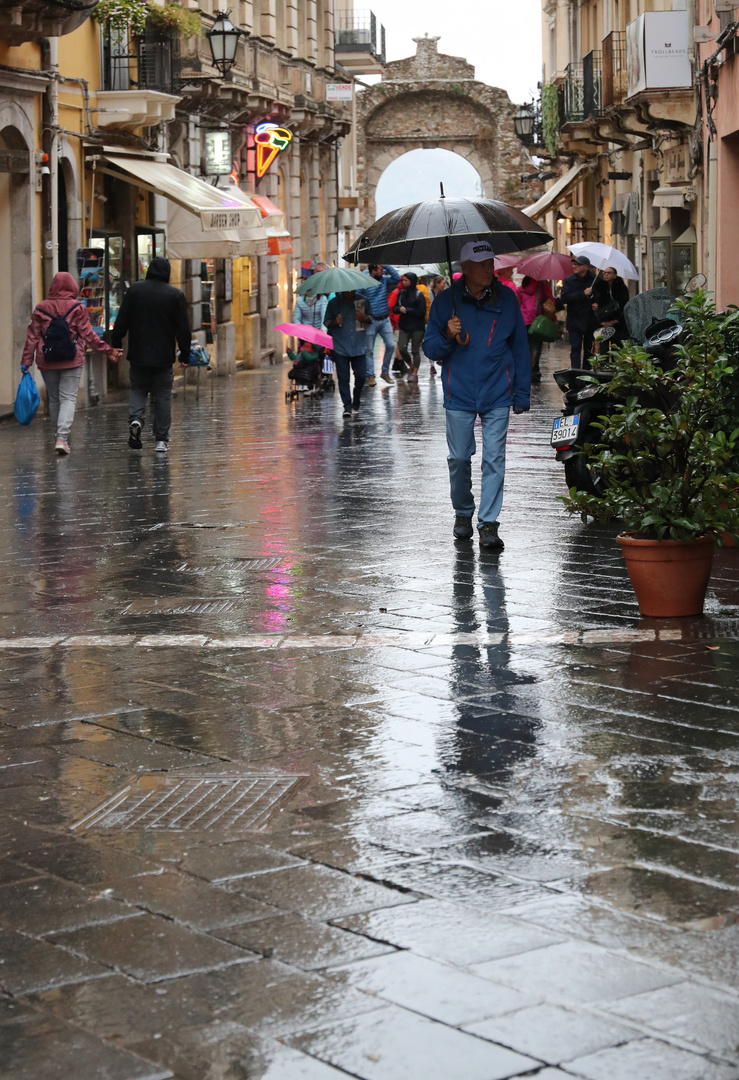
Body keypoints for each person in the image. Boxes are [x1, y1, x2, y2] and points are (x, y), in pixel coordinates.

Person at [423, 240, 530, 552]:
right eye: (482, 265)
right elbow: (430, 349)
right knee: (458, 458)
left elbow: (520, 347)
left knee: (494, 458)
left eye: (490, 263)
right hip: (460, 391)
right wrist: (447, 334)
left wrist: (521, 392)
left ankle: (488, 523)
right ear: (465, 269)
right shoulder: (445, 302)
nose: (489, 269)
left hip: (498, 390)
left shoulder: (507, 298)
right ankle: (463, 511)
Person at [21, 271, 121, 455]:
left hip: (47, 359)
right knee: (67, 398)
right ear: (72, 287)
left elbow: (32, 337)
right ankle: (62, 438)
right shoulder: (77, 308)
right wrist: (108, 350)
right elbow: (88, 335)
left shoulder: (41, 308)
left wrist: (26, 362)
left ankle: (58, 435)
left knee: (54, 398)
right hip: (72, 359)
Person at [111, 257, 191, 453]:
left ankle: (136, 420)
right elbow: (183, 329)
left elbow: (121, 320)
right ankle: (161, 440)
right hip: (163, 356)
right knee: (163, 396)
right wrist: (185, 355)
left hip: (138, 354)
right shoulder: (175, 295)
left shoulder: (135, 291)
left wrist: (116, 344)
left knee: (138, 390)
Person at [324, 290, 372, 417]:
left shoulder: (363, 301)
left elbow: (371, 319)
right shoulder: (334, 303)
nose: (350, 292)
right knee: (343, 377)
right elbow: (327, 322)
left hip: (359, 345)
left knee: (361, 376)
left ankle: (356, 397)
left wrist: (364, 318)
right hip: (340, 346)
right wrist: (335, 322)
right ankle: (347, 406)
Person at [357, 263, 401, 387]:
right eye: (381, 270)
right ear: (374, 271)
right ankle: (370, 375)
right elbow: (358, 299)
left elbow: (397, 278)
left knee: (391, 345)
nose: (383, 272)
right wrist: (361, 318)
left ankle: (385, 372)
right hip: (371, 320)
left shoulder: (384, 280)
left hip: (384, 319)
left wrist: (386, 264)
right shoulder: (364, 283)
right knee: (369, 350)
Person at [555, 255, 596, 367]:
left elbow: (601, 296)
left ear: (586, 267)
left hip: (590, 320)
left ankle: (587, 374)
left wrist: (596, 303)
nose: (575, 266)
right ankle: (575, 373)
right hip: (574, 319)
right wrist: (582, 294)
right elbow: (565, 298)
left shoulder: (594, 280)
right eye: (574, 264)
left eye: (578, 264)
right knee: (576, 347)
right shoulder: (568, 280)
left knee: (589, 349)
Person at [518, 275, 556, 383]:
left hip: (524, 320)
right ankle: (533, 372)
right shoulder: (542, 285)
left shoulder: (522, 287)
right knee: (536, 346)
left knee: (526, 346)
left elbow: (518, 303)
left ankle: (524, 371)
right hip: (538, 320)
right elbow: (551, 301)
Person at [393, 272, 427, 383]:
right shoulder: (401, 293)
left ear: (412, 281)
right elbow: (395, 307)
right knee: (402, 348)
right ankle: (411, 366)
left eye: (406, 280)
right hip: (404, 325)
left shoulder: (419, 294)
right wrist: (399, 309)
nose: (404, 282)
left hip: (417, 326)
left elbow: (421, 311)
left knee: (415, 350)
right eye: (403, 280)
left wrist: (408, 310)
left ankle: (415, 372)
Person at [587, 266, 629, 346]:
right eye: (604, 273)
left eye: (609, 273)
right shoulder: (599, 287)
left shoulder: (622, 288)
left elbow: (624, 305)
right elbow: (595, 302)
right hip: (602, 322)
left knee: (617, 346)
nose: (606, 274)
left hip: (618, 323)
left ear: (615, 275)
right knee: (603, 347)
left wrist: (616, 320)